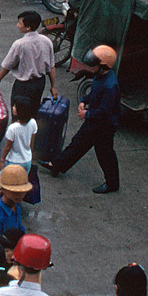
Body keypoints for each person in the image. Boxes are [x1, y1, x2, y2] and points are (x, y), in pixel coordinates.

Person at [45, 44, 120, 195]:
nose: (90, 68)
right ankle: (57, 165)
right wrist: (84, 101)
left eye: (93, 66)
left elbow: (104, 112)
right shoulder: (100, 77)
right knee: (78, 143)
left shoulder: (110, 86)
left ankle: (112, 184)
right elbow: (93, 94)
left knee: (105, 155)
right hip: (94, 120)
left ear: (103, 66)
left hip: (103, 125)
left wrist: (87, 114)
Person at [0, 10, 55, 108]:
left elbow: (7, 65)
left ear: (28, 27)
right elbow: (51, 67)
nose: (17, 25)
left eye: (20, 23)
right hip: (40, 83)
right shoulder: (46, 41)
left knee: (18, 112)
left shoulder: (20, 44)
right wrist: (53, 86)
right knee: (34, 110)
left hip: (24, 85)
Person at [0, 166, 30, 246]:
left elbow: (20, 227)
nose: (21, 195)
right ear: (3, 189)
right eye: (15, 192)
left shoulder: (16, 203)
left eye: (23, 191)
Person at [0, 101, 38, 174]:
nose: (13, 107)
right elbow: (31, 142)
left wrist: (2, 160)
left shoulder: (13, 128)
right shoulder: (33, 122)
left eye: (15, 107)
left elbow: (8, 147)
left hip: (14, 162)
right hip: (27, 160)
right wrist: (29, 154)